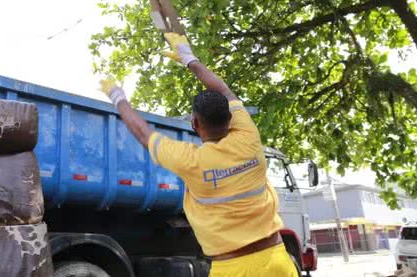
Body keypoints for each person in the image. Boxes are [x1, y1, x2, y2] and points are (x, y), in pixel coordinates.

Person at [100, 33, 297, 277]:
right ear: (230, 117)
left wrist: (117, 96)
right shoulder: (249, 136)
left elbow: (143, 133)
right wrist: (188, 58)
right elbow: (223, 89)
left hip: (232, 269)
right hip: (276, 259)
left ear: (194, 123)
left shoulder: (191, 161)